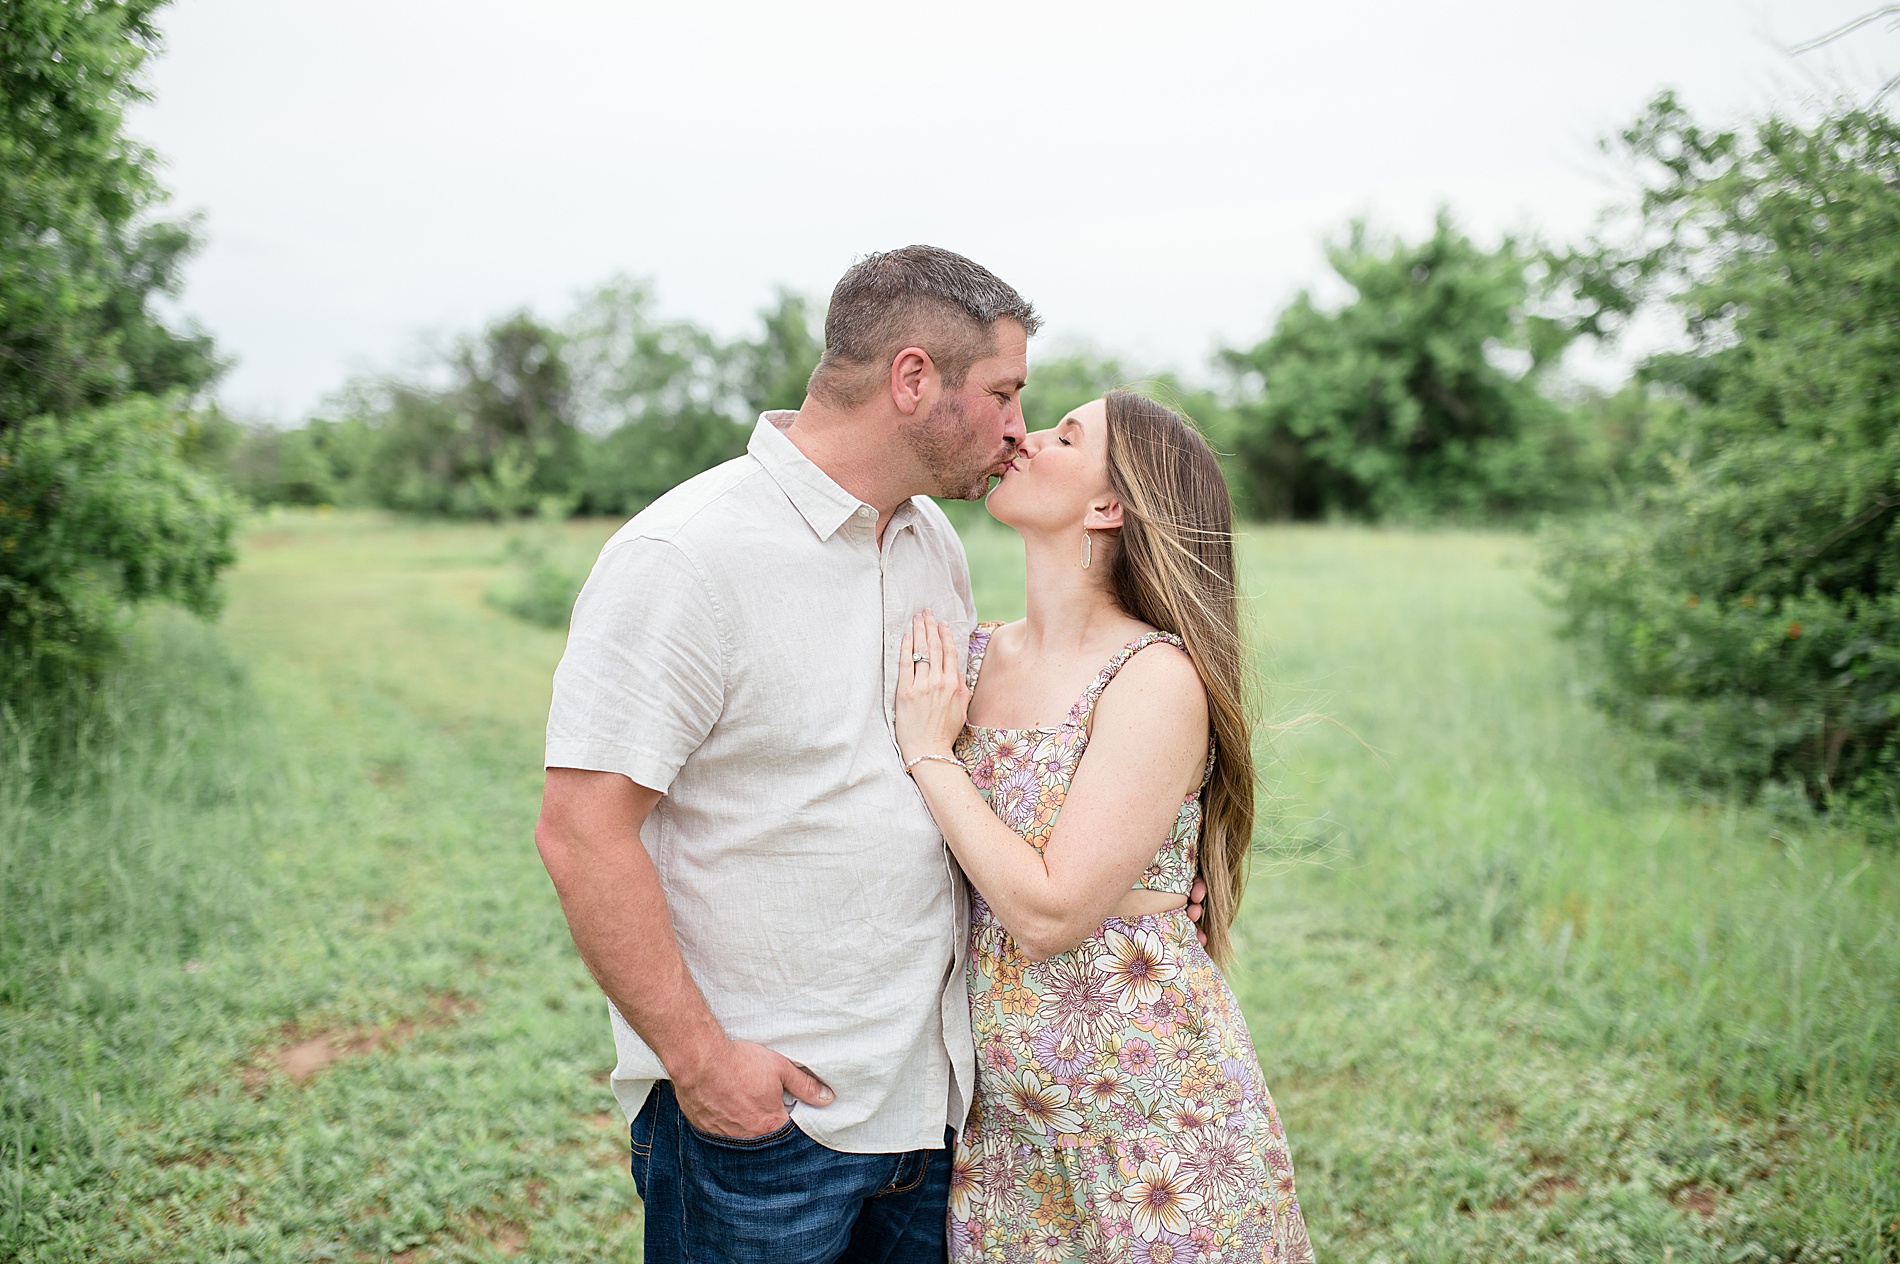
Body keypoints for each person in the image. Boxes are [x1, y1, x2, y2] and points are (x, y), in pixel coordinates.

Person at [534, 245, 1037, 1262]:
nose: (1019, 428)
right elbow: (582, 831)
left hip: (931, 1099)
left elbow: (950, 769)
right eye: (1004, 392)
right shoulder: (685, 556)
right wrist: (703, 1062)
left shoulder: (930, 539)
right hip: (767, 1121)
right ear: (911, 379)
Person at [894, 392, 1315, 1263]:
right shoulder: (965, 660)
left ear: (1108, 506)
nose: (1023, 435)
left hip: (1153, 1126)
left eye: (1064, 435)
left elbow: (1050, 914)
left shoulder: (1152, 678)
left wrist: (931, 756)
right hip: (1008, 1136)